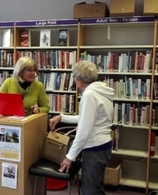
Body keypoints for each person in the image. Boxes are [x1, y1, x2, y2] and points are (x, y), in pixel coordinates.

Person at [49, 60, 114, 195]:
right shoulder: (101, 91)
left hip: (95, 147)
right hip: (104, 145)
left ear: (79, 79)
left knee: (90, 191)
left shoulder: (89, 95)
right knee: (96, 187)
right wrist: (62, 117)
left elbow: (84, 130)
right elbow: (87, 118)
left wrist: (69, 157)